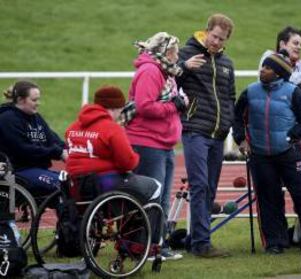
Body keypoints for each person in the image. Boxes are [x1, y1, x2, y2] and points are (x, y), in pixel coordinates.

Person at [233, 52, 301, 255]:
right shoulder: (250, 91)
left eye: (266, 68)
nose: (262, 70)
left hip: (290, 153)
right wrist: (240, 139)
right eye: (263, 67)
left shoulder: (294, 93)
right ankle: (275, 242)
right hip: (260, 155)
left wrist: (291, 137)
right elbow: (237, 117)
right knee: (268, 199)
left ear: (277, 73)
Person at [65, 85, 162, 255]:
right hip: (105, 183)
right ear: (115, 107)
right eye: (120, 109)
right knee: (153, 187)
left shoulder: (73, 127)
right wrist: (135, 157)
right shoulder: (111, 128)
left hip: (77, 185)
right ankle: (142, 245)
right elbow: (128, 163)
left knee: (131, 189)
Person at [176, 13, 235, 258]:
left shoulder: (226, 63)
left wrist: (228, 122)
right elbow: (168, 79)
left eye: (222, 39)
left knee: (210, 188)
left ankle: (196, 239)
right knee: (199, 185)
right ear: (206, 31)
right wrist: (183, 68)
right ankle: (202, 244)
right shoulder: (186, 53)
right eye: (214, 36)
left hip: (218, 134)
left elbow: (230, 96)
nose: (216, 42)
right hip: (195, 131)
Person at [125, 32, 187, 261]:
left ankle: (156, 246)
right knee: (151, 198)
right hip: (147, 142)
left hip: (162, 143)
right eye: (175, 51)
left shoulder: (163, 71)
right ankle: (145, 247)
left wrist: (177, 103)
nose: (178, 55)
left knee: (160, 199)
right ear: (165, 52)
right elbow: (145, 107)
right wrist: (175, 106)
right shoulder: (151, 71)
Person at [0, 80, 66, 197]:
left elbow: (52, 140)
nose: (38, 103)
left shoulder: (36, 117)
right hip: (18, 171)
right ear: (20, 100)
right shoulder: (7, 119)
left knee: (70, 181)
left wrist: (69, 150)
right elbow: (23, 149)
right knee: (60, 183)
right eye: (34, 100)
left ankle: (71, 214)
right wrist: (57, 152)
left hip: (38, 169)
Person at [259, 26, 301, 105]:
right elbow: (272, 89)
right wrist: (300, 80)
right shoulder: (269, 59)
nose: (299, 47)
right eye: (295, 43)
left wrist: (288, 93)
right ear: (282, 44)